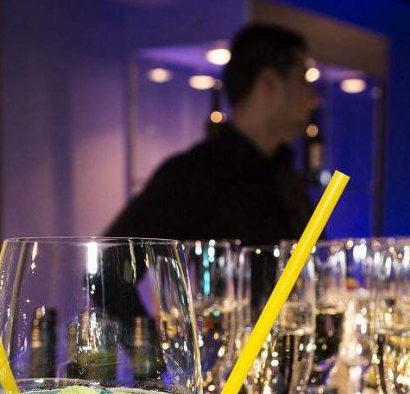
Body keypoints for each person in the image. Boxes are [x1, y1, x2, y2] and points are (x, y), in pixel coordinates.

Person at [104, 24, 317, 245]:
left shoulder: (285, 174)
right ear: (268, 83)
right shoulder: (192, 176)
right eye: (303, 80)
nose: (313, 97)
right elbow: (115, 258)